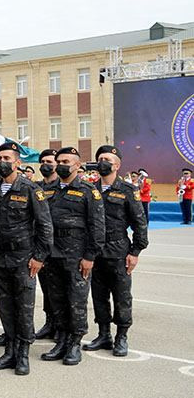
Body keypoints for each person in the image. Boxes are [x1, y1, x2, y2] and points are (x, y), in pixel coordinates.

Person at [0, 142, 53, 376]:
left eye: (7, 158)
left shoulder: (31, 189)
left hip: (24, 259)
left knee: (24, 308)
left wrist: (39, 257)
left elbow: (45, 225)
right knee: (6, 306)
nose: (2, 162)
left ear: (18, 162)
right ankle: (9, 351)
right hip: (0, 259)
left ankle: (23, 354)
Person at [39, 147, 105, 366]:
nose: (61, 164)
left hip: (76, 256)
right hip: (52, 253)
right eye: (59, 161)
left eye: (66, 161)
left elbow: (97, 227)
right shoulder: (49, 190)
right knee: (56, 300)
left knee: (76, 301)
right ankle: (62, 340)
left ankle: (75, 343)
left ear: (78, 165)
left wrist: (90, 256)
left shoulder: (88, 190)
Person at [83, 146, 148, 356]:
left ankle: (121, 336)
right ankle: (104, 334)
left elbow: (140, 224)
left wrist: (135, 251)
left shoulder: (128, 191)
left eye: (107, 159)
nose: (102, 162)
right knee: (98, 296)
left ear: (117, 165)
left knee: (121, 297)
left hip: (118, 251)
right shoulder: (89, 189)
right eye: (100, 158)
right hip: (94, 252)